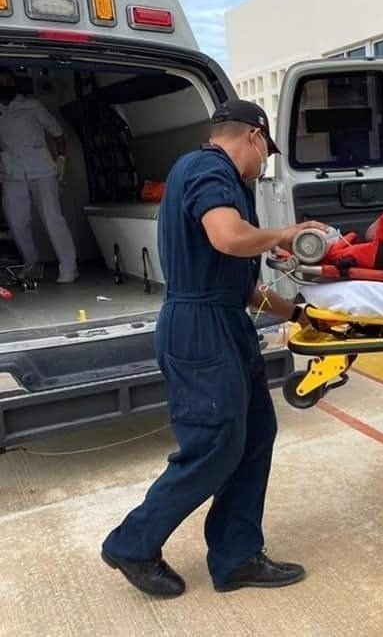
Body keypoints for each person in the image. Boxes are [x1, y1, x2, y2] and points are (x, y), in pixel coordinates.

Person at [101, 99, 330, 598]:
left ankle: (236, 557)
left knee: (255, 435)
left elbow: (242, 286)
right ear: (254, 136)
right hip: (199, 327)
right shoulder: (208, 169)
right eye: (266, 153)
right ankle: (132, 543)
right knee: (214, 445)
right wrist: (286, 233)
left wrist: (299, 314)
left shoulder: (225, 182)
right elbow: (228, 239)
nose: (263, 164)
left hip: (225, 320)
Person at [0, 67, 78, 283]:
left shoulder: (32, 105)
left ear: (14, 84)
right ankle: (32, 266)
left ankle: (69, 268)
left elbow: (57, 132)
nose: (4, 86)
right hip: (12, 172)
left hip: (41, 169)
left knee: (53, 218)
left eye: (7, 81)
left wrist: (61, 159)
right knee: (17, 222)